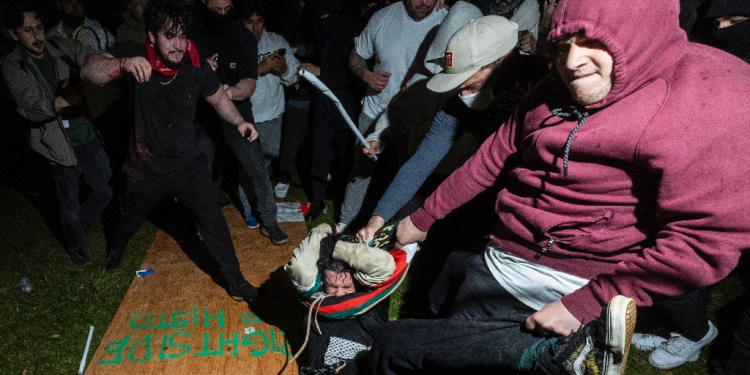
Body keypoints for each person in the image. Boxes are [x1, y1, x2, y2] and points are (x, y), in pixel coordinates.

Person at [345, 0, 750, 373]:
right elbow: (488, 157)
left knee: (400, 347)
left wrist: (590, 302)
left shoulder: (707, 99)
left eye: (592, 40)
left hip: (576, 282)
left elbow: (704, 237)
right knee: (428, 351)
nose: (572, 61)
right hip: (499, 259)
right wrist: (419, 217)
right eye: (563, 44)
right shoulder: (549, 84)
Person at [80, 0, 259, 301]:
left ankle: (236, 280)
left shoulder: (195, 63)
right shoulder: (136, 54)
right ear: (152, 36)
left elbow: (217, 98)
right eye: (169, 35)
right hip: (145, 168)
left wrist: (240, 121)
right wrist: (121, 65)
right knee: (128, 216)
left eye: (182, 35)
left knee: (213, 219)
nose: (178, 44)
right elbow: (89, 71)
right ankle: (117, 248)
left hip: (188, 162)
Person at [356, 14, 548, 240]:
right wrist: (377, 219)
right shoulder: (459, 99)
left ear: (504, 60)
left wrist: (535, 116)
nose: (463, 94)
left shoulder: (545, 83)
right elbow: (422, 161)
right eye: (458, 85)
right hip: (472, 180)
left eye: (471, 84)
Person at [1, 2, 113, 266]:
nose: (37, 35)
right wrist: (63, 100)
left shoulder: (59, 46)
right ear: (13, 34)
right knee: (69, 202)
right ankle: (76, 248)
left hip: (83, 130)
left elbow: (87, 54)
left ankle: (83, 223)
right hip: (54, 142)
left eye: (39, 27)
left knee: (104, 188)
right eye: (28, 30)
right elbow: (29, 106)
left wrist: (110, 61)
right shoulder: (12, 65)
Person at [191, 0, 288, 245]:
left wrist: (228, 93)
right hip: (202, 117)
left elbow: (249, 84)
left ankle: (270, 221)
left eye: (227, 9)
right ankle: (204, 223)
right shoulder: (192, 34)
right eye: (216, 10)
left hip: (238, 115)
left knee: (257, 169)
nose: (222, 15)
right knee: (202, 173)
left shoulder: (242, 38)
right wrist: (201, 75)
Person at [48, 0, 115, 53]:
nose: (75, 6)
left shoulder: (96, 30)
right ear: (59, 5)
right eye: (69, 1)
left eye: (79, 1)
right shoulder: (51, 35)